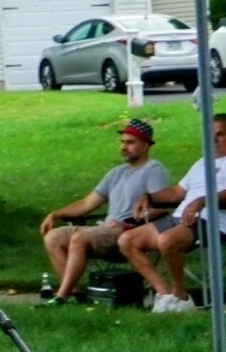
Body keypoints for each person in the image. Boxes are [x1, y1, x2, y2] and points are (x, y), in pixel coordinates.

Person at [116, 113, 226, 313]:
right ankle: (165, 294)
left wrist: (202, 201)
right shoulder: (201, 163)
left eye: (221, 134)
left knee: (167, 241)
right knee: (127, 240)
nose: (214, 140)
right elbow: (176, 193)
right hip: (181, 217)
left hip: (214, 220)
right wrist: (149, 197)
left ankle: (181, 298)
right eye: (210, 135)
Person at [38, 119, 169, 306]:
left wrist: (136, 219)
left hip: (129, 232)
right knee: (53, 237)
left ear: (146, 145)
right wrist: (55, 215)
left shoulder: (153, 169)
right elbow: (86, 203)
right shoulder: (116, 172)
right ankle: (76, 295)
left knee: (80, 237)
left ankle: (61, 296)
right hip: (105, 231)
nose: (124, 147)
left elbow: (163, 205)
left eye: (130, 142)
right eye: (122, 142)